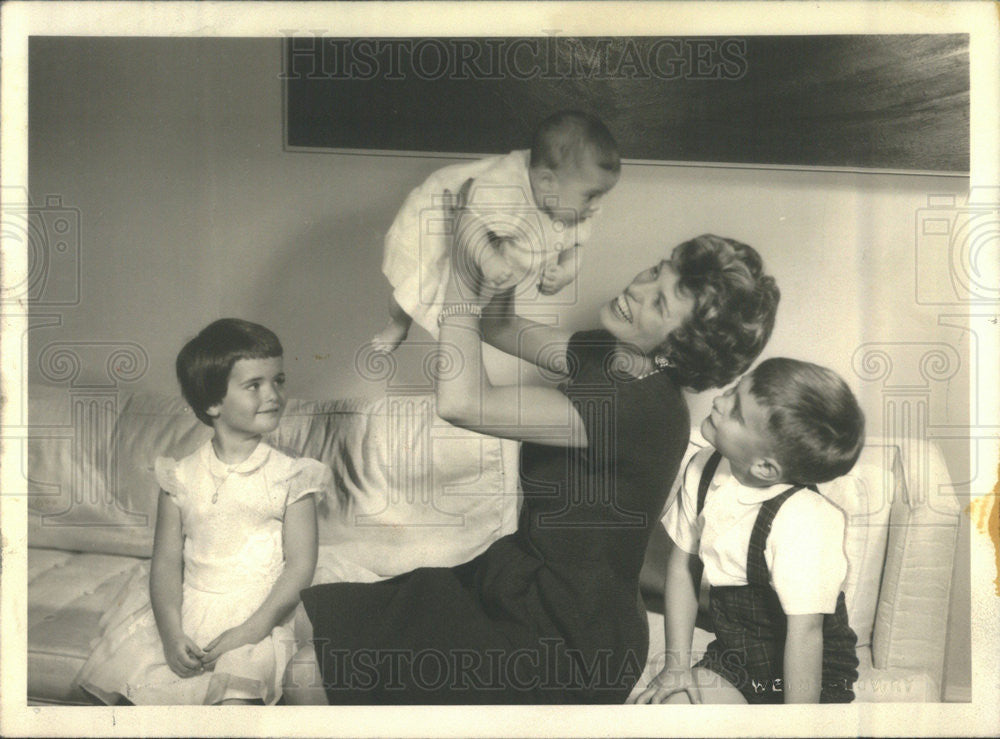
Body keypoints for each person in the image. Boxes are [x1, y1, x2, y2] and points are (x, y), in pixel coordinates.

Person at [288, 231, 779, 704]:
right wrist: (507, 260)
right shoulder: (616, 356)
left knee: (307, 676)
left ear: (677, 349)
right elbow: (501, 327)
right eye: (656, 271)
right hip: (515, 582)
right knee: (309, 622)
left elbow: (463, 404)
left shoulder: (638, 407)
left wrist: (460, 277)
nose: (637, 287)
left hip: (567, 641)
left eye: (660, 302)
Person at [75, 319, 331, 705]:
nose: (274, 394)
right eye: (254, 385)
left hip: (264, 616)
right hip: (192, 609)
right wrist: (171, 634)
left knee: (235, 701)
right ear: (213, 403)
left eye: (278, 380)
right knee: (144, 699)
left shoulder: (293, 476)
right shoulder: (178, 477)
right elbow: (165, 565)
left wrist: (249, 631)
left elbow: (299, 567)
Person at [631, 358, 864, 706]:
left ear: (766, 467)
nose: (719, 401)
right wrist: (677, 668)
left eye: (736, 412)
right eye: (733, 390)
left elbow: (806, 634)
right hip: (735, 660)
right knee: (670, 709)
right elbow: (683, 567)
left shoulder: (804, 518)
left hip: (809, 674)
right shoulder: (702, 467)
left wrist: (798, 726)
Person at [372, 109, 621, 352]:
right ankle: (398, 323)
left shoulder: (574, 207)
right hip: (439, 219)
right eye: (591, 196)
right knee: (410, 291)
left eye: (602, 195)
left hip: (496, 244)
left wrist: (565, 273)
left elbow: (575, 248)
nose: (597, 207)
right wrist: (488, 258)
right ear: (547, 182)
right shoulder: (506, 187)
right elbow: (467, 220)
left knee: (462, 309)